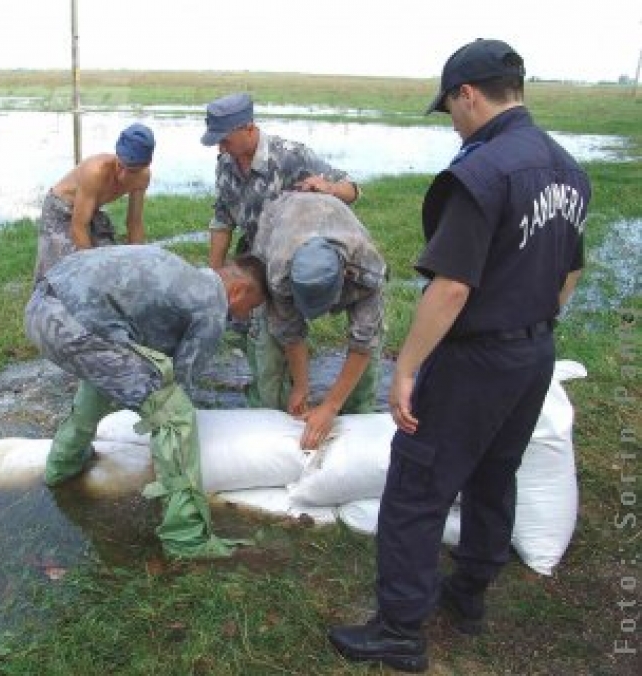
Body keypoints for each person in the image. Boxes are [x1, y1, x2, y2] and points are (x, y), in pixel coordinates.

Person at [327, 39, 590, 673]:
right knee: (494, 475)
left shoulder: (483, 172)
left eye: (449, 107)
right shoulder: (567, 168)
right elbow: (569, 273)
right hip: (532, 353)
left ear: (467, 94)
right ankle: (468, 597)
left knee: (416, 490)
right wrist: (535, 324)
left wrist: (409, 368)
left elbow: (450, 287)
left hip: (475, 360)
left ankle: (400, 630)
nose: (451, 119)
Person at [24, 244, 267, 559]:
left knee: (109, 375)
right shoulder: (212, 307)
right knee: (174, 413)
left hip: (40, 307)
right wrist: (169, 437)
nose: (244, 316)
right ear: (239, 291)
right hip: (74, 327)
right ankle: (187, 538)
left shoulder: (181, 272)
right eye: (251, 306)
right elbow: (180, 381)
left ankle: (63, 466)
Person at [201, 92, 362, 410]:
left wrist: (328, 188)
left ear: (247, 128)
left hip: (297, 261)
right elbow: (222, 218)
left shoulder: (291, 156)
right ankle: (271, 404)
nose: (220, 148)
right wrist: (215, 273)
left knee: (286, 331)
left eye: (225, 140)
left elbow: (351, 189)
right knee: (262, 341)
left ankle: (299, 395)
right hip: (256, 266)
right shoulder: (225, 163)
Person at [251, 192, 386, 448]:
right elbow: (290, 331)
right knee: (270, 349)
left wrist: (330, 407)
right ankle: (276, 425)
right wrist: (301, 387)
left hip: (335, 221)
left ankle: (356, 429)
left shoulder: (366, 269)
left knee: (368, 358)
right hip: (280, 220)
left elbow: (364, 341)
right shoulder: (278, 271)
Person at [32, 123, 155, 282]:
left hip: (89, 212)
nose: (123, 176)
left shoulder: (143, 177)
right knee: (62, 273)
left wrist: (138, 264)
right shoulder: (95, 171)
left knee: (111, 263)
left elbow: (134, 223)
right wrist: (92, 270)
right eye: (120, 166)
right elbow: (78, 226)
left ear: (146, 164)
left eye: (132, 171)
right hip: (59, 209)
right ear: (116, 155)